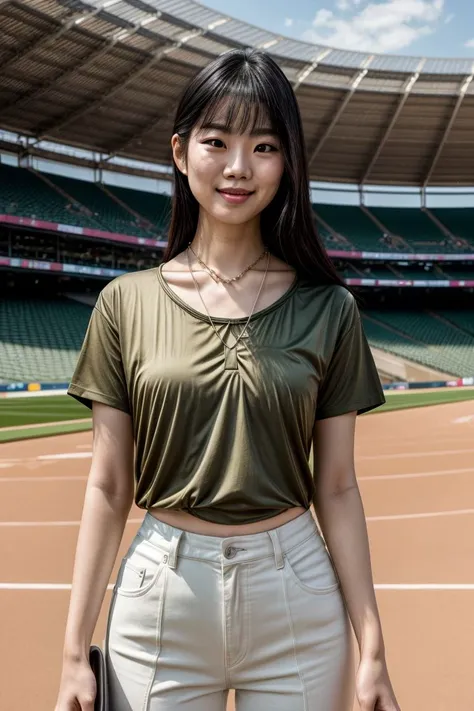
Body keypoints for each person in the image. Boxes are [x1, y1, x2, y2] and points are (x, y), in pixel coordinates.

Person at [54, 49, 401, 711]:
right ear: (181, 152)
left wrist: (374, 646)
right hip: (161, 598)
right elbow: (107, 483)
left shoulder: (330, 309)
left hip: (297, 592)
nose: (239, 167)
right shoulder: (124, 304)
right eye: (217, 141)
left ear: (288, 162)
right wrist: (73, 650)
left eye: (265, 146)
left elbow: (337, 484)